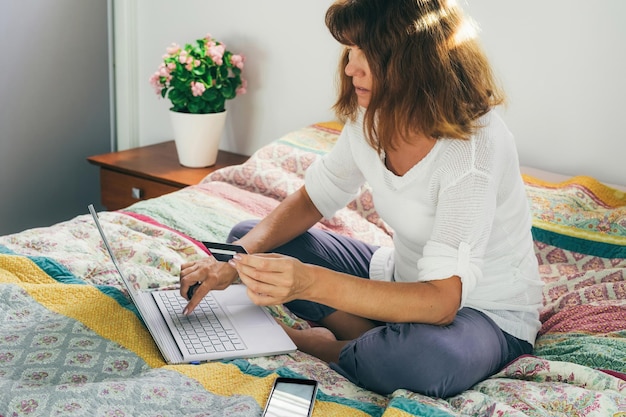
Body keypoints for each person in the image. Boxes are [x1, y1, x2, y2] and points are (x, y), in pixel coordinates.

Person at [179, 0, 543, 398]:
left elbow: (441, 303)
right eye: (350, 49)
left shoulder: (472, 149)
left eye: (365, 52)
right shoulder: (369, 114)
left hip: (482, 312)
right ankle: (369, 336)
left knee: (425, 361)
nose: (351, 66)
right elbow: (313, 198)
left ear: (414, 61)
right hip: (401, 278)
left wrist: (308, 284)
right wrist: (228, 262)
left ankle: (323, 344)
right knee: (250, 239)